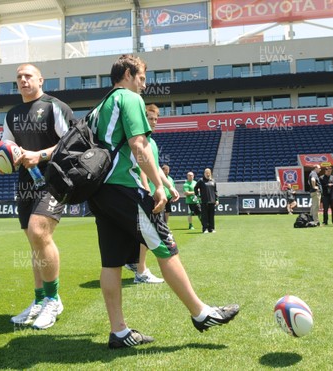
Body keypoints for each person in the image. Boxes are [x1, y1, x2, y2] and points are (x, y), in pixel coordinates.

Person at [87, 54, 239, 349]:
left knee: (112, 261)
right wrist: (158, 185)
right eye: (142, 77)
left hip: (100, 192)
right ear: (129, 74)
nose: (144, 85)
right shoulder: (128, 99)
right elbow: (139, 145)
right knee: (164, 246)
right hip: (123, 188)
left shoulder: (99, 107)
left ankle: (118, 331)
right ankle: (200, 313)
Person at [0, 63, 73, 329]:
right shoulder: (12, 114)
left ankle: (53, 299)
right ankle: (39, 300)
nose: (23, 80)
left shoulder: (54, 107)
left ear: (40, 80)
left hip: (55, 179)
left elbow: (73, 142)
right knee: (34, 242)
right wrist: (2, 161)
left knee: (39, 233)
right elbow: (8, 146)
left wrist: (41, 155)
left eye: (28, 76)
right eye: (19, 77)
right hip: (26, 183)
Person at [123, 104, 166, 284]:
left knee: (146, 233)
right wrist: (147, 188)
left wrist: (169, 187)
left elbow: (154, 167)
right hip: (142, 191)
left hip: (151, 192)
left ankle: (134, 263)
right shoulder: (140, 140)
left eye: (156, 119)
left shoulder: (152, 142)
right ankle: (140, 271)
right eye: (150, 118)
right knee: (148, 233)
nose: (153, 122)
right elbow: (140, 165)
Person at [194, 168, 219, 233]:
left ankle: (212, 229)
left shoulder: (213, 181)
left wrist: (217, 199)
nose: (208, 174)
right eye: (206, 173)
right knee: (204, 216)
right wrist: (198, 195)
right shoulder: (201, 181)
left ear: (210, 173)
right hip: (204, 201)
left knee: (211, 216)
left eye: (209, 173)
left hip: (212, 201)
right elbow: (195, 188)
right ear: (204, 173)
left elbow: (215, 191)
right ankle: (205, 229)